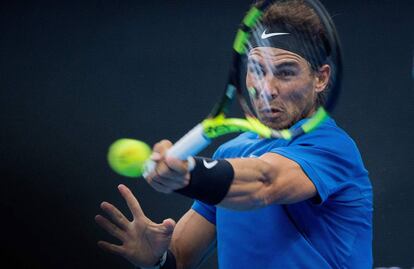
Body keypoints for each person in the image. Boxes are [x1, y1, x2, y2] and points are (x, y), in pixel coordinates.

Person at [95, 1, 373, 268]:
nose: (267, 88)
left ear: (320, 78)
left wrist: (188, 172)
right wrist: (156, 259)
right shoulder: (231, 153)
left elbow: (266, 181)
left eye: (285, 73)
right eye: (257, 69)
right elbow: (180, 257)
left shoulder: (333, 148)